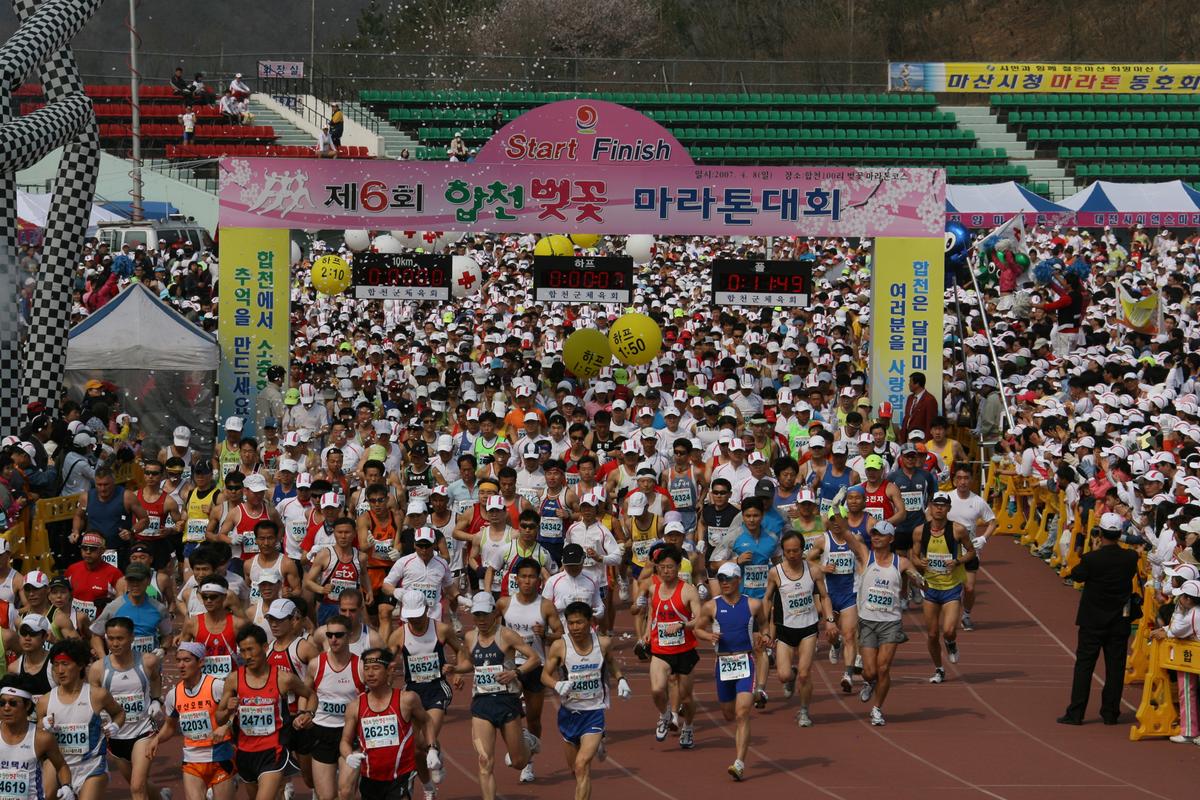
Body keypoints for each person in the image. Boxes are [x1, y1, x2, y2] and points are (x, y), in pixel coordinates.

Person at [450, 592, 541, 800]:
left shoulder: (506, 635)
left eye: (484, 615)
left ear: (493, 613)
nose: (480, 620)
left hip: (507, 702)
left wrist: (515, 673)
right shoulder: (471, 636)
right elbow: (469, 663)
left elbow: (534, 658)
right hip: (482, 703)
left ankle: (527, 741)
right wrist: (456, 670)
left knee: (518, 762)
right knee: (484, 760)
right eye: (476, 615)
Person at [540, 601, 631, 800]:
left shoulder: (603, 643)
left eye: (579, 623)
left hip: (594, 712)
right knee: (575, 770)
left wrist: (621, 679)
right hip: (568, 714)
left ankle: (597, 739)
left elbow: (610, 661)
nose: (575, 628)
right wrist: (556, 685)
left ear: (590, 622)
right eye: (571, 623)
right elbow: (544, 676)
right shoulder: (559, 646)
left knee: (582, 766)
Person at [1057, 512, 1140, 726]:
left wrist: (1093, 551)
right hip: (1119, 620)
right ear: (1120, 533)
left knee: (1084, 666)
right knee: (1115, 667)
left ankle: (1076, 713)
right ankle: (1111, 712)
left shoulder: (1092, 559)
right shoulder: (1130, 558)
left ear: (1100, 533)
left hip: (1092, 620)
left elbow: (1076, 574)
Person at [215, 624, 314, 800]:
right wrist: (228, 709)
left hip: (273, 751)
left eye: (251, 650)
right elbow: (219, 718)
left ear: (265, 647)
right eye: (243, 651)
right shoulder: (234, 679)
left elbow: (310, 695)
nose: (247, 656)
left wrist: (308, 714)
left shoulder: (283, 679)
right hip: (244, 752)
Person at [837, 519, 921, 726]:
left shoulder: (900, 562)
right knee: (869, 670)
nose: (875, 537)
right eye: (873, 533)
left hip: (890, 623)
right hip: (867, 621)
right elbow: (847, 533)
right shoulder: (866, 556)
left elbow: (916, 576)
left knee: (883, 668)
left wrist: (920, 580)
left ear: (891, 539)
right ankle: (869, 681)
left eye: (880, 534)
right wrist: (834, 513)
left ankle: (877, 709)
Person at [694, 562, 769, 781]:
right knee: (728, 714)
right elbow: (698, 628)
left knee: (742, 712)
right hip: (723, 664)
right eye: (721, 579)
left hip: (745, 661)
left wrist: (764, 636)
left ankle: (739, 763)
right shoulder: (712, 606)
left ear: (738, 580)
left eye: (728, 579)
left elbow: (764, 624)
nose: (724, 583)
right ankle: (755, 694)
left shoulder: (753, 604)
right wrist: (709, 637)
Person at [388, 589, 462, 794]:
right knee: (416, 748)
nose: (415, 621)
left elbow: (461, 651)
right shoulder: (399, 635)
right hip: (412, 692)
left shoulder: (442, 630)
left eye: (418, 616)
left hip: (437, 688)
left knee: (423, 739)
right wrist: (390, 668)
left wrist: (457, 671)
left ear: (427, 610)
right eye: (410, 617)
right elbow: (386, 661)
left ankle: (433, 748)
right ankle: (428, 787)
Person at [495, 557, 562, 783]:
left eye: (532, 576)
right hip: (510, 666)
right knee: (509, 714)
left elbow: (561, 634)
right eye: (523, 576)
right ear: (516, 579)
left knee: (533, 718)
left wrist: (545, 634)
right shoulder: (504, 604)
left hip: (536, 667)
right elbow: (490, 628)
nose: (527, 581)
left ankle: (529, 761)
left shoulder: (545, 606)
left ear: (538, 581)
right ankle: (517, 749)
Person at [87, 617, 165, 800]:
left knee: (137, 788)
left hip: (143, 732)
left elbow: (155, 679)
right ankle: (161, 797)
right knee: (139, 785)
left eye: (120, 638)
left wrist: (155, 700)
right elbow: (94, 703)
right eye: (111, 638)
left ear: (131, 638)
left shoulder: (148, 661)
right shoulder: (98, 669)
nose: (115, 643)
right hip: (116, 736)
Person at [38, 639, 126, 800]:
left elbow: (119, 713)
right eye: (56, 665)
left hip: (90, 767)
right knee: (47, 795)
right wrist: (43, 726)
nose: (60, 670)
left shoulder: (98, 695)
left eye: (65, 664)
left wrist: (115, 726)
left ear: (79, 665)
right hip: (58, 764)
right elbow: (37, 733)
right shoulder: (45, 701)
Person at [339, 648, 431, 800]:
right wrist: (348, 756)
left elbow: (427, 721)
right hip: (370, 778)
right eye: (366, 668)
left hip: (400, 776)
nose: (370, 673)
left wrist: (432, 747)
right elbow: (345, 741)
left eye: (375, 668)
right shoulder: (355, 706)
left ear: (389, 670)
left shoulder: (406, 700)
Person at [765, 530, 832, 726]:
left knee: (805, 673)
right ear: (783, 552)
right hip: (785, 629)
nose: (792, 555)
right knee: (784, 675)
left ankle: (804, 711)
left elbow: (824, 596)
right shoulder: (775, 573)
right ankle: (791, 677)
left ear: (802, 550)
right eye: (788, 552)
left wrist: (829, 619)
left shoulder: (813, 571)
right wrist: (766, 627)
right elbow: (767, 598)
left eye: (796, 551)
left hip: (808, 628)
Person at [911, 492, 975, 684]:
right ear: (930, 507)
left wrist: (957, 561)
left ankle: (951, 643)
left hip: (951, 587)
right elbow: (913, 556)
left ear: (948, 508)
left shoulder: (958, 530)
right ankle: (939, 669)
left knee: (948, 630)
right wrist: (919, 563)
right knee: (931, 634)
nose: (939, 508)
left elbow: (971, 552)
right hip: (930, 587)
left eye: (943, 505)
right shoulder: (919, 531)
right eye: (936, 505)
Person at [641, 545, 702, 748]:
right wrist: (647, 632)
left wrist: (684, 624)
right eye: (663, 567)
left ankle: (688, 727)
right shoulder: (653, 589)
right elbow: (652, 612)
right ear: (657, 568)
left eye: (671, 567)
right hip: (661, 650)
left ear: (678, 567)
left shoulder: (688, 591)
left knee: (686, 697)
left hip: (684, 650)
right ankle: (665, 714)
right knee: (657, 690)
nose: (666, 571)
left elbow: (699, 619)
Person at [301, 614, 365, 800]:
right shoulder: (316, 665)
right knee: (326, 796)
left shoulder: (360, 666)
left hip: (351, 734)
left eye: (339, 635)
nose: (333, 639)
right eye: (330, 635)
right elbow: (305, 694)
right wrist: (304, 714)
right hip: (322, 732)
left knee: (345, 792)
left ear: (349, 636)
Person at [0, 674, 74, 800]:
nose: (6, 708)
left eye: (13, 703)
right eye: (2, 703)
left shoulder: (42, 738)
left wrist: (67, 786)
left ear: (27, 706)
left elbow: (61, 766)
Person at [945, 464, 997, 631]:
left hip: (970, 551)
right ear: (954, 481)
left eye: (966, 478)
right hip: (947, 550)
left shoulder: (978, 502)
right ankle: (948, 615)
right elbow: (930, 515)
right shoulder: (946, 498)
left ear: (971, 481)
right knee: (948, 587)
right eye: (959, 478)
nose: (963, 482)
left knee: (969, 587)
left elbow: (992, 522)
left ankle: (966, 615)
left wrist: (983, 538)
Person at [1150, 579, 1200, 743]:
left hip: (1191, 658)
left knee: (1186, 691)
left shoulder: (1193, 614)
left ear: (1189, 599)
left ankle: (1189, 732)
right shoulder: (1195, 611)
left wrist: (1177, 610)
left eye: (1182, 598)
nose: (1178, 601)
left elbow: (1176, 629)